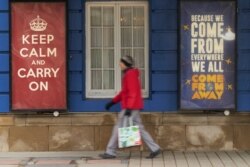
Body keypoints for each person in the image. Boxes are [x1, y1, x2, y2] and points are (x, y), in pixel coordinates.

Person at [99, 55, 161, 159]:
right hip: (133, 106)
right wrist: (113, 102)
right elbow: (125, 92)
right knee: (140, 129)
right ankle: (155, 148)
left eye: (121, 62)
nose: (119, 64)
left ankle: (110, 151)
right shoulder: (130, 74)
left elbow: (133, 92)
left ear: (125, 64)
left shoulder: (130, 75)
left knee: (118, 127)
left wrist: (128, 108)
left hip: (130, 107)